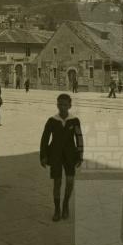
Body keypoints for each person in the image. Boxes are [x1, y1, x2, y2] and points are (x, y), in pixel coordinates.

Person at [40, 93, 84, 221]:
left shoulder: (74, 121)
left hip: (70, 155)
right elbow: (44, 139)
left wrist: (80, 155)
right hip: (55, 155)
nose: (62, 107)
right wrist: (43, 156)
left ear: (70, 105)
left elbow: (79, 138)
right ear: (57, 105)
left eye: (65, 105)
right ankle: (57, 209)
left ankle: (65, 205)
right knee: (57, 182)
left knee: (70, 181)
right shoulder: (52, 121)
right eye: (60, 104)